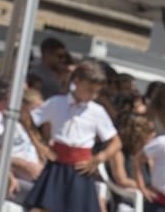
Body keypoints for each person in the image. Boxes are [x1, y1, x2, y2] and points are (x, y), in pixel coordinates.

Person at [24, 60, 122, 212]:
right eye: (90, 90)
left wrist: (98, 159)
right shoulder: (57, 102)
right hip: (57, 166)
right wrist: (39, 146)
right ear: (77, 81)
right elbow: (28, 119)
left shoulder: (97, 111)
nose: (93, 96)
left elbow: (115, 142)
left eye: (97, 92)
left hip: (81, 169)